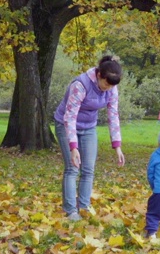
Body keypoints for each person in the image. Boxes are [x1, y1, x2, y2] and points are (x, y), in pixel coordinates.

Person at [54, 55, 126, 221]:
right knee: (73, 168)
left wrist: (117, 146)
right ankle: (71, 211)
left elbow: (113, 115)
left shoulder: (111, 88)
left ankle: (84, 207)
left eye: (111, 86)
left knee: (88, 169)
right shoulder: (80, 85)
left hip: (88, 128)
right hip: (66, 125)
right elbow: (69, 116)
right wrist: (73, 147)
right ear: (99, 75)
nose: (108, 89)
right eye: (106, 84)